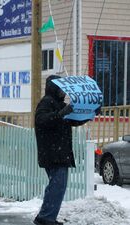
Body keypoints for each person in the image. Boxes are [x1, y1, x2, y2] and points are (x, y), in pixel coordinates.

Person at [33, 75, 98, 225]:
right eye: (61, 88)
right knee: (57, 186)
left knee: (57, 186)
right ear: (53, 87)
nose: (64, 91)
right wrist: (61, 113)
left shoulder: (60, 104)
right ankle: (45, 218)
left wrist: (90, 115)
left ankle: (47, 217)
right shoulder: (46, 102)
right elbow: (41, 120)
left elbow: (73, 120)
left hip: (59, 152)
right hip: (52, 152)